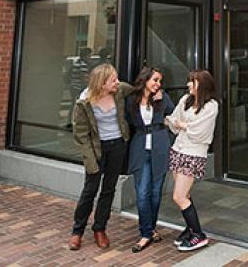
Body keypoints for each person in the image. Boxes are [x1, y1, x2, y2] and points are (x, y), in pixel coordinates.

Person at [68, 64, 134, 251]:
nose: (118, 82)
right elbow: (81, 134)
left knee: (108, 189)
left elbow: (137, 89)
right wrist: (90, 159)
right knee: (90, 190)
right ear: (102, 83)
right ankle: (77, 231)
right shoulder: (84, 101)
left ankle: (100, 228)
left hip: (117, 146)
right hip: (97, 150)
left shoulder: (119, 91)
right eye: (113, 79)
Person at [166, 69, 218, 252]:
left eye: (193, 81)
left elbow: (200, 132)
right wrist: (182, 125)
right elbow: (173, 120)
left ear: (202, 85)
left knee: (178, 196)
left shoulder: (211, 106)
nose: (188, 84)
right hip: (178, 149)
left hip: (194, 154)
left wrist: (183, 125)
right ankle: (190, 229)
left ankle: (198, 234)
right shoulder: (186, 100)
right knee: (184, 194)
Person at [125, 67, 175, 253]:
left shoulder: (163, 97)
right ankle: (145, 233)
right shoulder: (131, 99)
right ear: (145, 80)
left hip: (160, 147)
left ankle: (150, 229)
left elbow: (174, 114)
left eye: (160, 81)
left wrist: (161, 101)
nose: (158, 84)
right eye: (155, 80)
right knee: (142, 193)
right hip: (140, 149)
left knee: (155, 192)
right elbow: (127, 120)